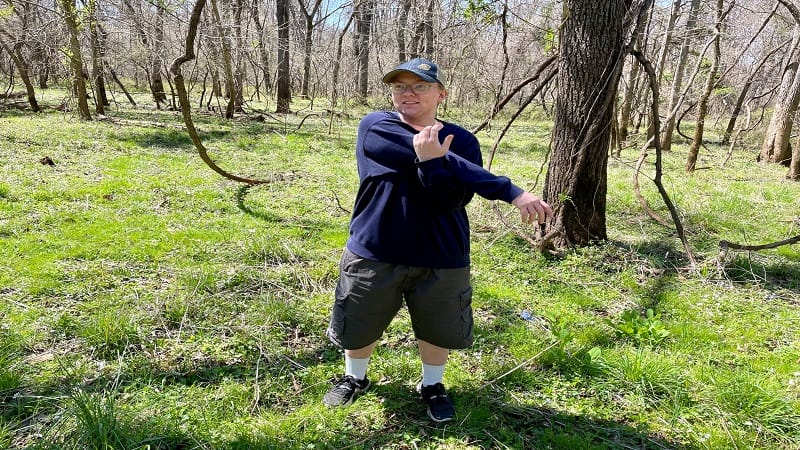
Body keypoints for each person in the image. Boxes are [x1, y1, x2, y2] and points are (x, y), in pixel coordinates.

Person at [323, 57, 553, 422]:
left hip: (441, 252)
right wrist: (510, 191)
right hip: (375, 248)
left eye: (419, 86)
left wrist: (432, 163)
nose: (407, 93)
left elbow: (451, 201)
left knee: (437, 327)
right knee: (360, 321)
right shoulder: (377, 126)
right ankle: (355, 378)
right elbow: (449, 165)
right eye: (399, 87)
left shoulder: (462, 140)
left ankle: (432, 385)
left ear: (441, 93)